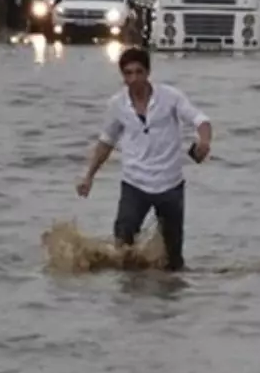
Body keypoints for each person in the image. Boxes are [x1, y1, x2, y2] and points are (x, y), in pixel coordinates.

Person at [76, 47, 212, 272]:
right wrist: (88, 176)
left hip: (170, 185)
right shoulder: (117, 104)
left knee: (174, 258)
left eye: (139, 72)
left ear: (148, 73)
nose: (134, 79)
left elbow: (200, 120)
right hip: (135, 184)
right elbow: (106, 141)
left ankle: (169, 301)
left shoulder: (170, 97)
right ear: (123, 76)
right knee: (123, 247)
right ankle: (130, 299)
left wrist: (204, 142)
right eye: (128, 73)